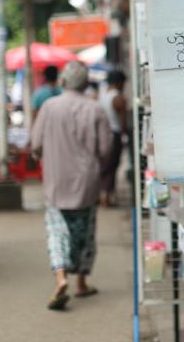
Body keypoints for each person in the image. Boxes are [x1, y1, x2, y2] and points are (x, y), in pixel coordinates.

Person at [31, 61, 111, 310]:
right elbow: (105, 149)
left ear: (63, 82)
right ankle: (82, 282)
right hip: (86, 182)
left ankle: (61, 277)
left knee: (57, 232)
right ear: (86, 83)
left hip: (55, 181)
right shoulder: (95, 109)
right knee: (84, 233)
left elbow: (35, 145)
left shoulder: (48, 106)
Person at [99, 70, 127, 208]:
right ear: (119, 82)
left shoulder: (102, 97)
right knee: (113, 165)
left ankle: (104, 195)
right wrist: (125, 133)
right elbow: (123, 122)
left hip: (103, 134)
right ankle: (107, 196)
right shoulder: (118, 98)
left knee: (105, 165)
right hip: (115, 134)